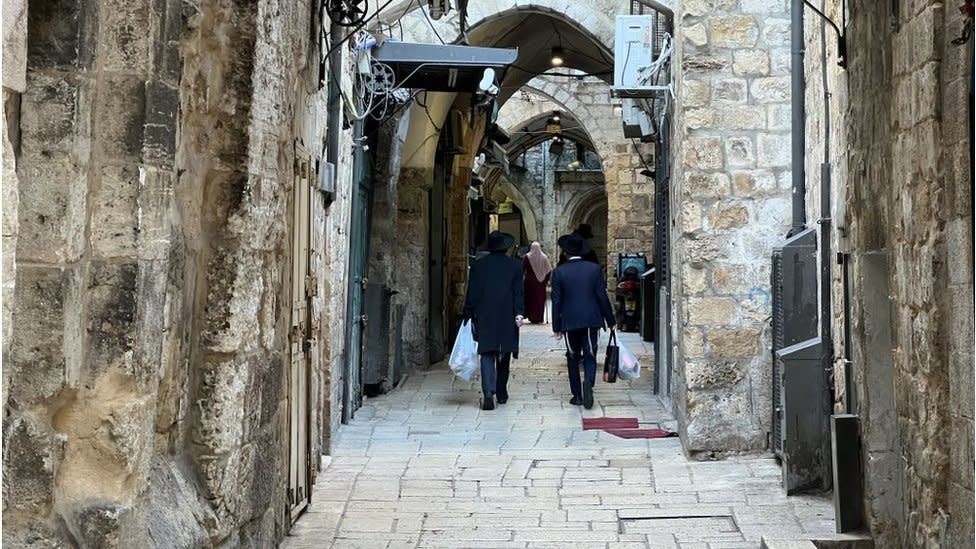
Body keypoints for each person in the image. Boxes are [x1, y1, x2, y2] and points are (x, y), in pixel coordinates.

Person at [551, 232, 615, 409]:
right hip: (590, 319)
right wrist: (610, 320)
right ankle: (588, 381)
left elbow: (556, 301)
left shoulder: (559, 272)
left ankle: (577, 395)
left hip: (569, 320)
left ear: (565, 253)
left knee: (572, 356)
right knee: (590, 354)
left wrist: (556, 325)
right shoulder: (594, 269)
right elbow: (602, 297)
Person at [463, 231, 526, 410]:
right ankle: (502, 392)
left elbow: (472, 292)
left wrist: (468, 312)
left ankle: (488, 391)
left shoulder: (479, 266)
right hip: (506, 314)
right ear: (506, 247)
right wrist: (519, 313)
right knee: (504, 353)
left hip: (485, 314)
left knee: (487, 352)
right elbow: (518, 292)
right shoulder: (515, 266)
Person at [521, 242, 552, 324]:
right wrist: (545, 280)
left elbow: (522, 269)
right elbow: (548, 270)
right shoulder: (544, 257)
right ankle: (539, 317)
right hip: (540, 282)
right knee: (540, 299)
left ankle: (531, 316)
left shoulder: (527, 257)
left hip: (529, 281)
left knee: (530, 299)